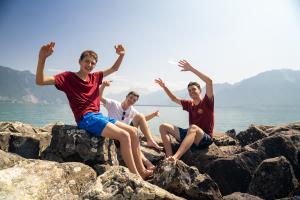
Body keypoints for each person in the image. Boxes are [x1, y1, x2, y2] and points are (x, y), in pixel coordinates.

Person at [35, 42, 152, 179]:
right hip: (86, 118)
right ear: (80, 61)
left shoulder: (95, 77)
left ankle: (143, 170)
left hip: (99, 116)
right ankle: (136, 176)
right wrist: (42, 58)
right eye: (87, 61)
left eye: (93, 63)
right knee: (124, 136)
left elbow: (114, 68)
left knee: (133, 131)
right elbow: (40, 81)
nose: (89, 65)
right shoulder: (67, 77)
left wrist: (122, 55)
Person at [155, 59, 214, 161]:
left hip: (203, 138)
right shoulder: (189, 104)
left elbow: (209, 81)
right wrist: (164, 87)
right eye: (189, 90)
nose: (192, 92)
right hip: (190, 135)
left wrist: (191, 69)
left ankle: (175, 157)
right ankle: (169, 156)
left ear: (200, 90)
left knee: (193, 127)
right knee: (163, 126)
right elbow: (173, 99)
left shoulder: (207, 102)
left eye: (194, 89)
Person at [99, 80, 163, 169]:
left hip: (126, 133)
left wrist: (154, 115)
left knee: (139, 116)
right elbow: (99, 97)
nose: (131, 101)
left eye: (134, 100)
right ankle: (147, 164)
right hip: (114, 134)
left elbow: (142, 119)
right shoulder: (113, 104)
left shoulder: (132, 110)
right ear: (126, 96)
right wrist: (103, 86)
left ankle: (150, 141)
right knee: (133, 143)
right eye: (131, 98)